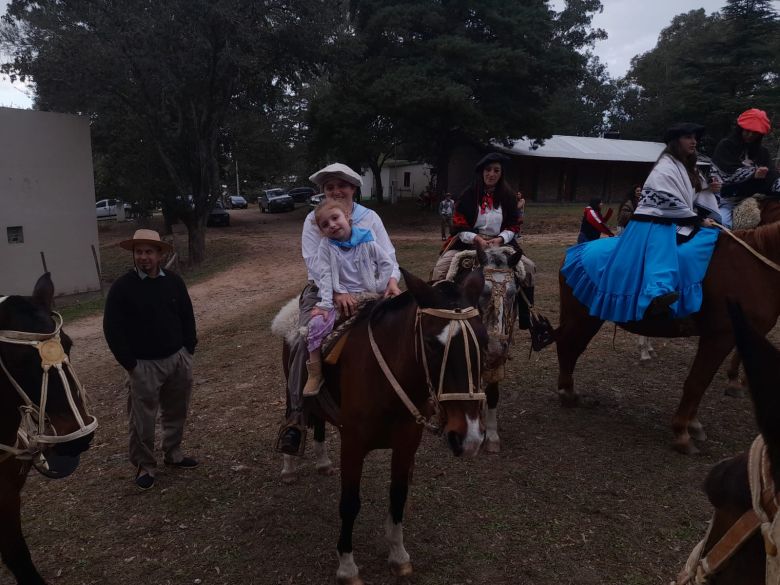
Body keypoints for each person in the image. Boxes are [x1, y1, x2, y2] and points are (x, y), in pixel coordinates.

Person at [279, 162, 401, 455]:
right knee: (302, 337)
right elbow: (315, 263)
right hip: (324, 290)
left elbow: (388, 255)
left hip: (371, 289)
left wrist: (393, 282)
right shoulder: (313, 220)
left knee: (406, 328)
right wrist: (335, 293)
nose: (336, 190)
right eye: (329, 187)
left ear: (353, 188)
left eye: (341, 185)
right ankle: (295, 417)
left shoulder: (370, 217)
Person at [561, 123, 721, 322]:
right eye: (688, 137)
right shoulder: (664, 168)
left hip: (671, 221)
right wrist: (697, 220)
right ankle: (655, 298)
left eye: (695, 138)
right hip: (652, 223)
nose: (694, 141)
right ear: (675, 141)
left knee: (704, 241)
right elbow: (667, 200)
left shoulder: (686, 168)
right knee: (661, 257)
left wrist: (710, 192)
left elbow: (692, 197)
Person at [103, 229, 198, 491]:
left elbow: (186, 316)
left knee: (176, 411)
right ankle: (145, 465)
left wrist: (188, 349)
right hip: (143, 365)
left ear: (159, 254)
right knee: (142, 420)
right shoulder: (122, 288)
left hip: (177, 358)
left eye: (149, 252)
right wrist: (130, 364)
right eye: (139, 252)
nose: (143, 257)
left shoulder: (174, 282)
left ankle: (174, 453)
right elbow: (112, 329)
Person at [431, 152, 536, 329]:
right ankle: (439, 314)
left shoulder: (509, 197)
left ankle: (526, 317)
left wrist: (501, 239)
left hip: (501, 244)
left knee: (530, 269)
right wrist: (477, 238)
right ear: (482, 172)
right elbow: (459, 225)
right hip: (468, 242)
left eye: (496, 170)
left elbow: (514, 224)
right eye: (488, 170)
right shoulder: (467, 195)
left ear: (501, 174)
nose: (492, 174)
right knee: (440, 271)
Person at [302, 199, 394, 397]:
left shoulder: (367, 240)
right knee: (317, 324)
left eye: (335, 218)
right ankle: (315, 373)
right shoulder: (325, 247)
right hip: (341, 296)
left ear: (348, 217)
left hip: (369, 294)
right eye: (325, 224)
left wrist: (378, 286)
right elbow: (325, 275)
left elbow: (386, 263)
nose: (332, 225)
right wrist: (326, 304)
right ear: (321, 231)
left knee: (400, 316)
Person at [713, 108, 780, 227]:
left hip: (755, 197)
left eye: (755, 133)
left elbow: (772, 176)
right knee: (722, 224)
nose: (750, 135)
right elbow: (727, 173)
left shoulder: (762, 152)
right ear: (740, 129)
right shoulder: (725, 146)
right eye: (747, 131)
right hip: (727, 198)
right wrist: (754, 174)